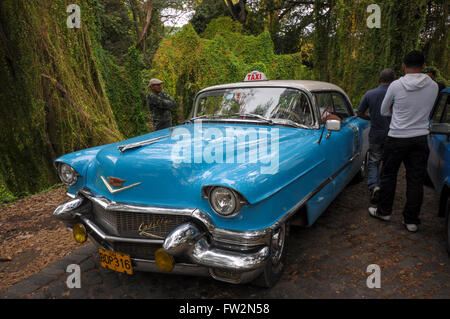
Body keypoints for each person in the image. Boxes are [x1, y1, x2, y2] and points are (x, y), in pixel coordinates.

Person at [368, 51, 439, 232]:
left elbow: (384, 111)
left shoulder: (396, 85)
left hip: (397, 136)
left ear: (403, 65)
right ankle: (411, 220)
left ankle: (384, 211)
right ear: (423, 66)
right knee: (415, 179)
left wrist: (398, 114)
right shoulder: (433, 86)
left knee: (389, 175)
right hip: (420, 137)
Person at [357, 69, 395, 204]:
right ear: (394, 80)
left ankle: (374, 186)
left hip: (376, 134)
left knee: (374, 161)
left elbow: (359, 112)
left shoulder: (370, 94)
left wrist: (370, 117)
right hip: (393, 135)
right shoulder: (397, 95)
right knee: (388, 163)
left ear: (379, 80)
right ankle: (385, 188)